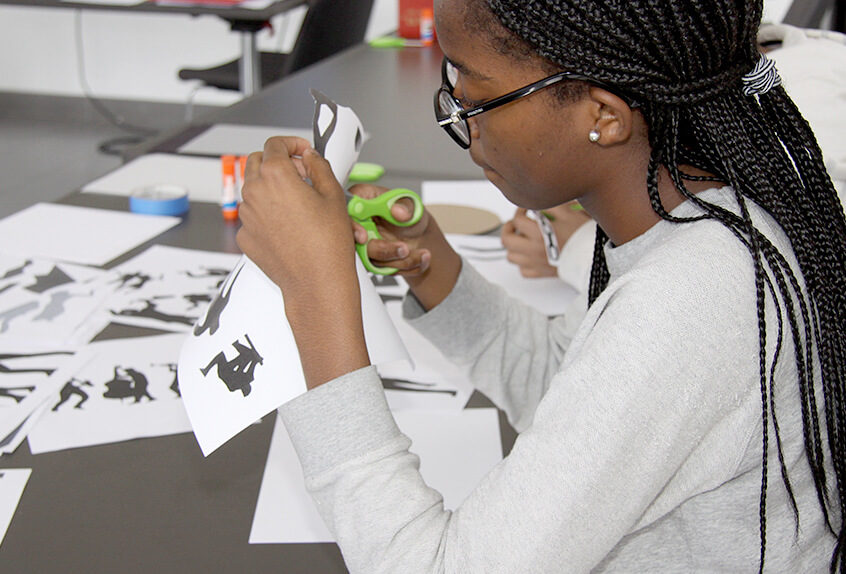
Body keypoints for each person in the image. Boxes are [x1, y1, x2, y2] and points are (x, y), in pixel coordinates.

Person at [236, 0, 846, 572]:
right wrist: (438, 272)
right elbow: (582, 397)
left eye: (474, 94)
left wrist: (313, 299)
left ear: (602, 117)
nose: (459, 117)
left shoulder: (691, 301)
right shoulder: (697, 223)